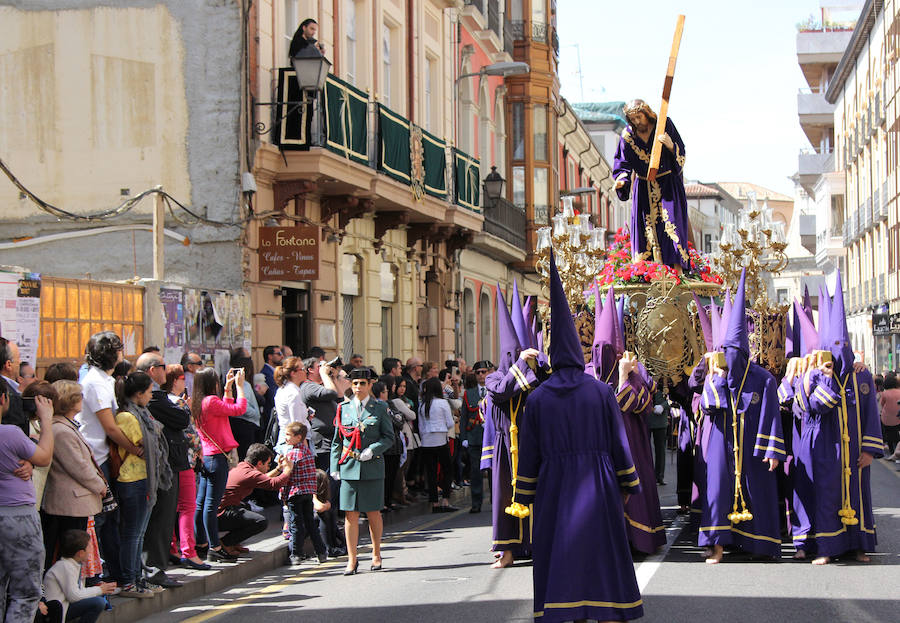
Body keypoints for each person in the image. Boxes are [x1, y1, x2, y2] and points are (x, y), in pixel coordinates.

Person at [511, 251, 644, 623]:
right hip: (598, 482)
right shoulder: (600, 392)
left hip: (555, 486)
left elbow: (531, 455)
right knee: (599, 549)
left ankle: (564, 610)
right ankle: (606, 609)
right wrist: (628, 483)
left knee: (560, 550)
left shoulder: (537, 399)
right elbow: (619, 442)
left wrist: (524, 497)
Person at [788, 271, 882, 564]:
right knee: (826, 495)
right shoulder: (812, 375)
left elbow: (871, 414)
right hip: (823, 448)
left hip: (854, 451)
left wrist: (869, 449)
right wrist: (825, 380)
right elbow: (810, 408)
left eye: (844, 346)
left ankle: (859, 544)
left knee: (858, 496)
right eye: (834, 347)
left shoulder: (861, 376)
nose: (840, 353)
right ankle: (826, 547)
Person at [698, 270, 784, 564]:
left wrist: (772, 452)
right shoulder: (716, 377)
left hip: (753, 448)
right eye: (726, 350)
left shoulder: (762, 379)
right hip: (722, 445)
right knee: (718, 491)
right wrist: (718, 379)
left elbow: (772, 415)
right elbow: (710, 407)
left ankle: (759, 545)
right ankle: (716, 546)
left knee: (757, 491)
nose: (730, 355)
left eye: (735, 350)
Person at [587, 286, 666, 554]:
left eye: (606, 348)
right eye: (598, 349)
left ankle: (638, 539)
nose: (602, 354)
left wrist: (622, 378)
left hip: (632, 446)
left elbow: (640, 405)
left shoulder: (634, 370)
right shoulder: (587, 373)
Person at [481, 284, 549, 569]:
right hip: (505, 450)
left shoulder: (539, 376)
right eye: (515, 355)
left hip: (536, 447)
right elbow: (502, 392)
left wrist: (539, 366)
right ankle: (507, 552)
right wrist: (521, 363)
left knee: (542, 497)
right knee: (504, 500)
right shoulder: (494, 378)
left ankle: (542, 546)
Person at [77, 331, 135, 585]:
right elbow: (110, 427)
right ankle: (96, 574)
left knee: (112, 519)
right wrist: (136, 449)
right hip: (98, 458)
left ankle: (116, 572)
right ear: (112, 354)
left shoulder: (105, 380)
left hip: (107, 457)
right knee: (100, 520)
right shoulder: (95, 382)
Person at [330, 368, 394, 575]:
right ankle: (352, 559)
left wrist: (372, 450)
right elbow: (337, 442)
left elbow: (388, 437)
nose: (358, 387)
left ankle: (376, 554)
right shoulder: (343, 408)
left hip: (372, 466)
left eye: (362, 383)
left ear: (370, 385)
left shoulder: (380, 407)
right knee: (350, 514)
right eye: (355, 383)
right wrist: (334, 468)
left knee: (373, 512)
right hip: (349, 466)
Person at [613, 98, 691, 269]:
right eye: (633, 119)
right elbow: (622, 163)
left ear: (646, 113)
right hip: (643, 188)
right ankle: (648, 271)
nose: (637, 122)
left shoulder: (663, 124)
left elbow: (681, 153)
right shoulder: (628, 136)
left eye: (639, 117)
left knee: (671, 227)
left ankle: (676, 270)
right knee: (645, 232)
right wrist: (621, 180)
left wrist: (671, 146)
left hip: (668, 186)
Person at [0, 379, 54, 622]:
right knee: (25, 592)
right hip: (17, 515)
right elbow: (44, 457)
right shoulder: (10, 434)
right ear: (3, 399)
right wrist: (47, 420)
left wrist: (27, 460)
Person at [114, 371, 171, 597]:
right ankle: (129, 581)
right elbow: (142, 447)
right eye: (149, 392)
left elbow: (151, 444)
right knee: (133, 534)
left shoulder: (143, 413)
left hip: (145, 479)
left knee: (139, 533)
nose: (151, 396)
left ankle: (138, 578)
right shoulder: (127, 417)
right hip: (132, 481)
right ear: (138, 394)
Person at [134, 352, 189, 588]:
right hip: (163, 463)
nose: (166, 371)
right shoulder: (154, 396)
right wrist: (181, 408)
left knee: (164, 518)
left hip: (167, 461)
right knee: (161, 518)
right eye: (163, 366)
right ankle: (154, 569)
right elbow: (181, 418)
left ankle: (156, 567)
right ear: (151, 370)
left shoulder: (156, 395)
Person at [41, 380, 107, 571]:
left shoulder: (66, 426)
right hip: (69, 502)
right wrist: (99, 484)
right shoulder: (61, 430)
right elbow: (77, 466)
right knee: (70, 555)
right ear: (70, 400)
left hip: (75, 500)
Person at [193, 367, 246, 563]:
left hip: (207, 457)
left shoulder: (200, 402)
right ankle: (214, 546)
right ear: (210, 383)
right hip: (217, 458)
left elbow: (225, 411)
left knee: (202, 503)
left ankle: (201, 543)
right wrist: (240, 388)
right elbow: (238, 410)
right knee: (211, 505)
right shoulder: (211, 402)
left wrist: (228, 390)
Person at [217, 443, 293, 556]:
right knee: (260, 522)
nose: (268, 467)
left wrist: (278, 469)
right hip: (220, 515)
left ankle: (234, 541)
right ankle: (226, 542)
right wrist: (288, 469)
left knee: (245, 507)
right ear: (259, 463)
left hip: (222, 510)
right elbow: (274, 484)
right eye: (267, 464)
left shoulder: (243, 467)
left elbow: (264, 478)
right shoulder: (249, 474)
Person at [43, 529, 117, 623]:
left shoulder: (72, 564)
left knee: (98, 602)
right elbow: (74, 596)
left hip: (65, 606)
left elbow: (79, 591)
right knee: (98, 603)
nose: (91, 551)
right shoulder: (64, 567)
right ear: (81, 553)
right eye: (89, 547)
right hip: (56, 613)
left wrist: (100, 590)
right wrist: (100, 590)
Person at [281, 423, 327, 564]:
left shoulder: (292, 454)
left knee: (296, 524)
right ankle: (321, 552)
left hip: (295, 493)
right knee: (310, 523)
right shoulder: (307, 451)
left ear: (298, 437)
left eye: (289, 435)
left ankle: (296, 554)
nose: (286, 437)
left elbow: (287, 476)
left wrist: (283, 495)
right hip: (308, 492)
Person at [418, 377, 457, 513]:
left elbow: (421, 426)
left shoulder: (422, 405)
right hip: (440, 439)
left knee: (431, 472)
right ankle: (445, 500)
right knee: (447, 470)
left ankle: (434, 502)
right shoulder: (442, 403)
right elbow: (450, 423)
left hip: (426, 442)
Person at [462, 368, 487, 513]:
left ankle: (497, 500)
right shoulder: (469, 393)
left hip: (491, 437)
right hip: (474, 436)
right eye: (478, 373)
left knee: (493, 471)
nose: (481, 375)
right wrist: (464, 437)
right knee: (475, 471)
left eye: (484, 372)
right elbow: (465, 417)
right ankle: (476, 502)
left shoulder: (495, 389)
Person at [228, 352, 261, 459]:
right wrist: (256, 414)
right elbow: (244, 406)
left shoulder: (230, 382)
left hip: (235, 422)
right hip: (246, 424)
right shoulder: (244, 385)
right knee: (246, 456)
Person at [273, 357, 310, 448]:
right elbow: (296, 426)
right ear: (293, 373)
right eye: (302, 369)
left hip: (286, 437)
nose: (305, 371)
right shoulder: (293, 393)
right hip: (294, 441)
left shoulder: (282, 389)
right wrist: (305, 448)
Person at [0, 336, 27, 434]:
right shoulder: (10, 395)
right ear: (8, 365)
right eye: (18, 358)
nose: (20, 362)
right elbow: (17, 435)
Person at [650, 387, 671, 485]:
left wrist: (663, 406)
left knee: (660, 451)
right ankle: (646, 475)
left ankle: (659, 476)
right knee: (645, 450)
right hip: (646, 417)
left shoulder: (666, 377)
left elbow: (672, 396)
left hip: (661, 419)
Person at [878, 372, 900, 462]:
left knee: (889, 435)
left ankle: (892, 451)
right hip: (898, 417)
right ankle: (897, 452)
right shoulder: (899, 392)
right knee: (897, 436)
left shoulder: (884, 393)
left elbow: (882, 404)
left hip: (887, 417)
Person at [260, 346, 284, 430]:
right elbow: (272, 395)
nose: (282, 356)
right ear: (270, 356)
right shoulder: (266, 373)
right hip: (271, 414)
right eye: (279, 354)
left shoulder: (274, 371)